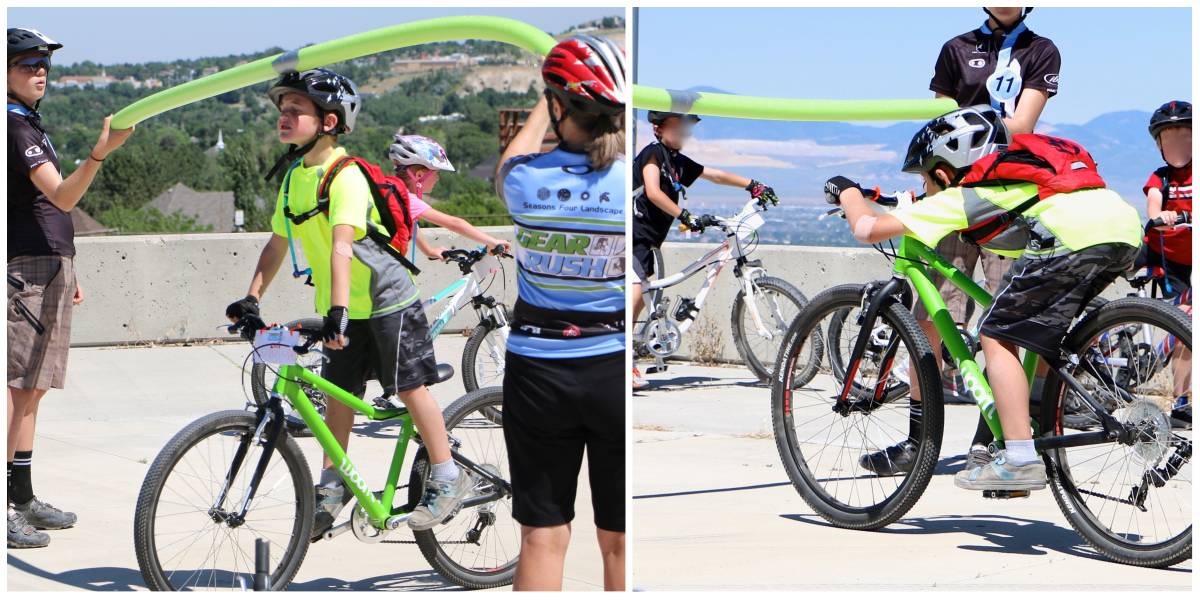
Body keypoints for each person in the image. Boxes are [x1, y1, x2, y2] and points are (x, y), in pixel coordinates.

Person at [225, 68, 504, 539]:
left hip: (388, 300)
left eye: (297, 110)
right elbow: (276, 243)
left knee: (411, 387)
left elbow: (341, 246)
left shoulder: (346, 175)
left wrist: (335, 312)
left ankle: (446, 475)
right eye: (282, 110)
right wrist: (251, 297)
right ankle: (334, 487)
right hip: (346, 307)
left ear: (329, 121)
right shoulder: (294, 176)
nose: (284, 117)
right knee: (338, 396)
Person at [824, 105, 1142, 491]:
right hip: (1122, 228)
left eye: (926, 179)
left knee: (996, 331)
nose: (925, 189)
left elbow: (867, 227)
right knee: (1041, 327)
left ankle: (1021, 458)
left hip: (1070, 237)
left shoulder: (965, 195)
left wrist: (848, 191)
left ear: (943, 172)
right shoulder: (1020, 177)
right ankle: (1039, 420)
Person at [868, 6, 1063, 474]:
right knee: (928, 320)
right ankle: (919, 441)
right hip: (954, 195)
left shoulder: (1041, 49)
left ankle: (991, 437)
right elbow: (940, 126)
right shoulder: (956, 48)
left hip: (1003, 197)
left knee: (1004, 326)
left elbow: (1022, 126)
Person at [495, 35, 625, 591]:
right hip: (612, 365)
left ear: (558, 108)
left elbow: (512, 157)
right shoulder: (628, 188)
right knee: (619, 538)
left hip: (537, 369)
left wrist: (538, 101)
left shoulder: (526, 182)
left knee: (542, 534)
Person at [7, 27, 134, 549]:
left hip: (49, 268)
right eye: (26, 64)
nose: (40, 72)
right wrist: (99, 154)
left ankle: (21, 496)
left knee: (33, 388)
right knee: (16, 390)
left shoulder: (27, 124)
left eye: (44, 65)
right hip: (29, 271)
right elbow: (60, 196)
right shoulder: (14, 128)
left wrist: (66, 268)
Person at [630, 110, 778, 389]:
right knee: (636, 291)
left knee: (642, 294)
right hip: (632, 233)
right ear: (659, 129)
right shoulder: (653, 154)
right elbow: (652, 190)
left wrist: (753, 185)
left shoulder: (676, 161)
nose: (684, 133)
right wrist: (684, 215)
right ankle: (620, 361)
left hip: (647, 239)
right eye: (678, 127)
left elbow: (714, 175)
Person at [1142, 100, 1191, 426]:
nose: (1176, 145)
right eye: (1169, 138)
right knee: (1186, 327)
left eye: (1184, 137)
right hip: (1171, 263)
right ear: (1160, 145)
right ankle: (1184, 402)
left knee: (1187, 325)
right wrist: (1164, 217)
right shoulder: (1160, 178)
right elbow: (1153, 209)